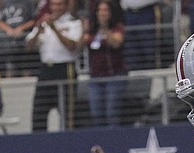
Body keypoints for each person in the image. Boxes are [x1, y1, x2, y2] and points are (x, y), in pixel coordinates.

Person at [25, 0, 82, 132]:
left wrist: (54, 28)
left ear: (66, 5)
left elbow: (72, 46)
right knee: (38, 113)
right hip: (46, 69)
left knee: (67, 114)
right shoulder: (43, 22)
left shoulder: (74, 23)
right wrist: (38, 31)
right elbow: (29, 46)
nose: (56, 7)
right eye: (54, 4)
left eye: (60, 4)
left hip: (65, 68)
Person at [83, 0, 126, 128]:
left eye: (105, 10)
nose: (102, 13)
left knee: (111, 111)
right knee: (97, 113)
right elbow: (79, 44)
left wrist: (105, 28)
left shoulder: (117, 27)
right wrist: (83, 31)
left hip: (114, 76)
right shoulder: (92, 30)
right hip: (96, 77)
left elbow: (115, 43)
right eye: (100, 10)